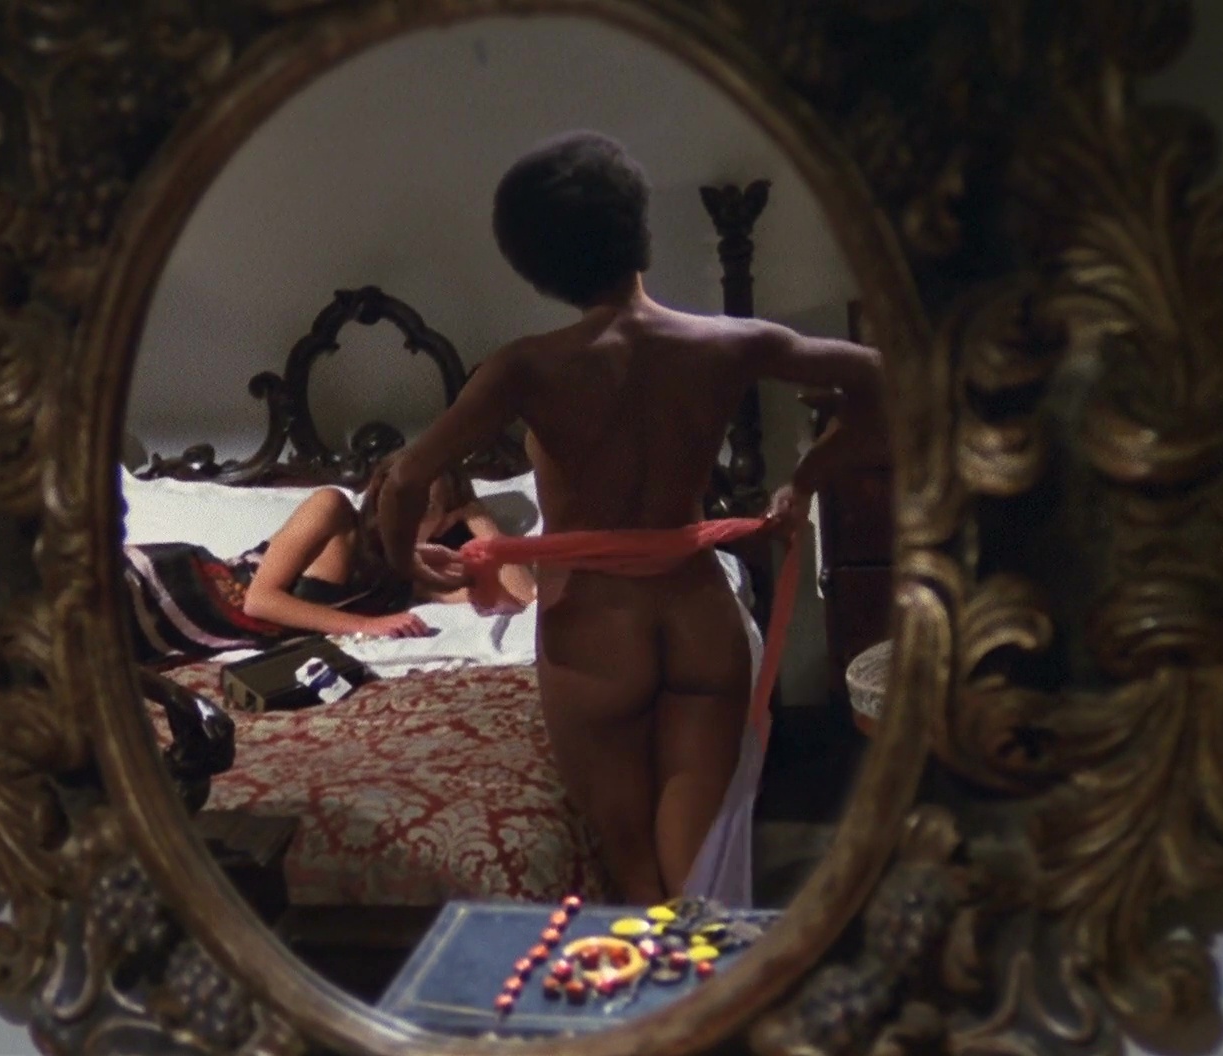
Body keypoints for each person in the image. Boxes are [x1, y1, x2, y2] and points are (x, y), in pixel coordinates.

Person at [376, 130, 886, 905]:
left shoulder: (526, 366)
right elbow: (880, 377)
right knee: (695, 881)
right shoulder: (730, 342)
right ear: (635, 230)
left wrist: (406, 563)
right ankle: (715, 977)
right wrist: (805, 481)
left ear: (536, 261)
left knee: (634, 872)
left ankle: (652, 982)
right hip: (697, 613)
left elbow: (406, 478)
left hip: (594, 624)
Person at [124, 467, 533, 665]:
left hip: (182, 631)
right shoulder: (332, 508)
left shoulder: (408, 580)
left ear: (444, 522)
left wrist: (477, 514)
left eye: (423, 506)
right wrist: (368, 625)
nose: (398, 512)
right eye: (395, 495)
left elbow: (522, 596)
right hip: (170, 584)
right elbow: (259, 601)